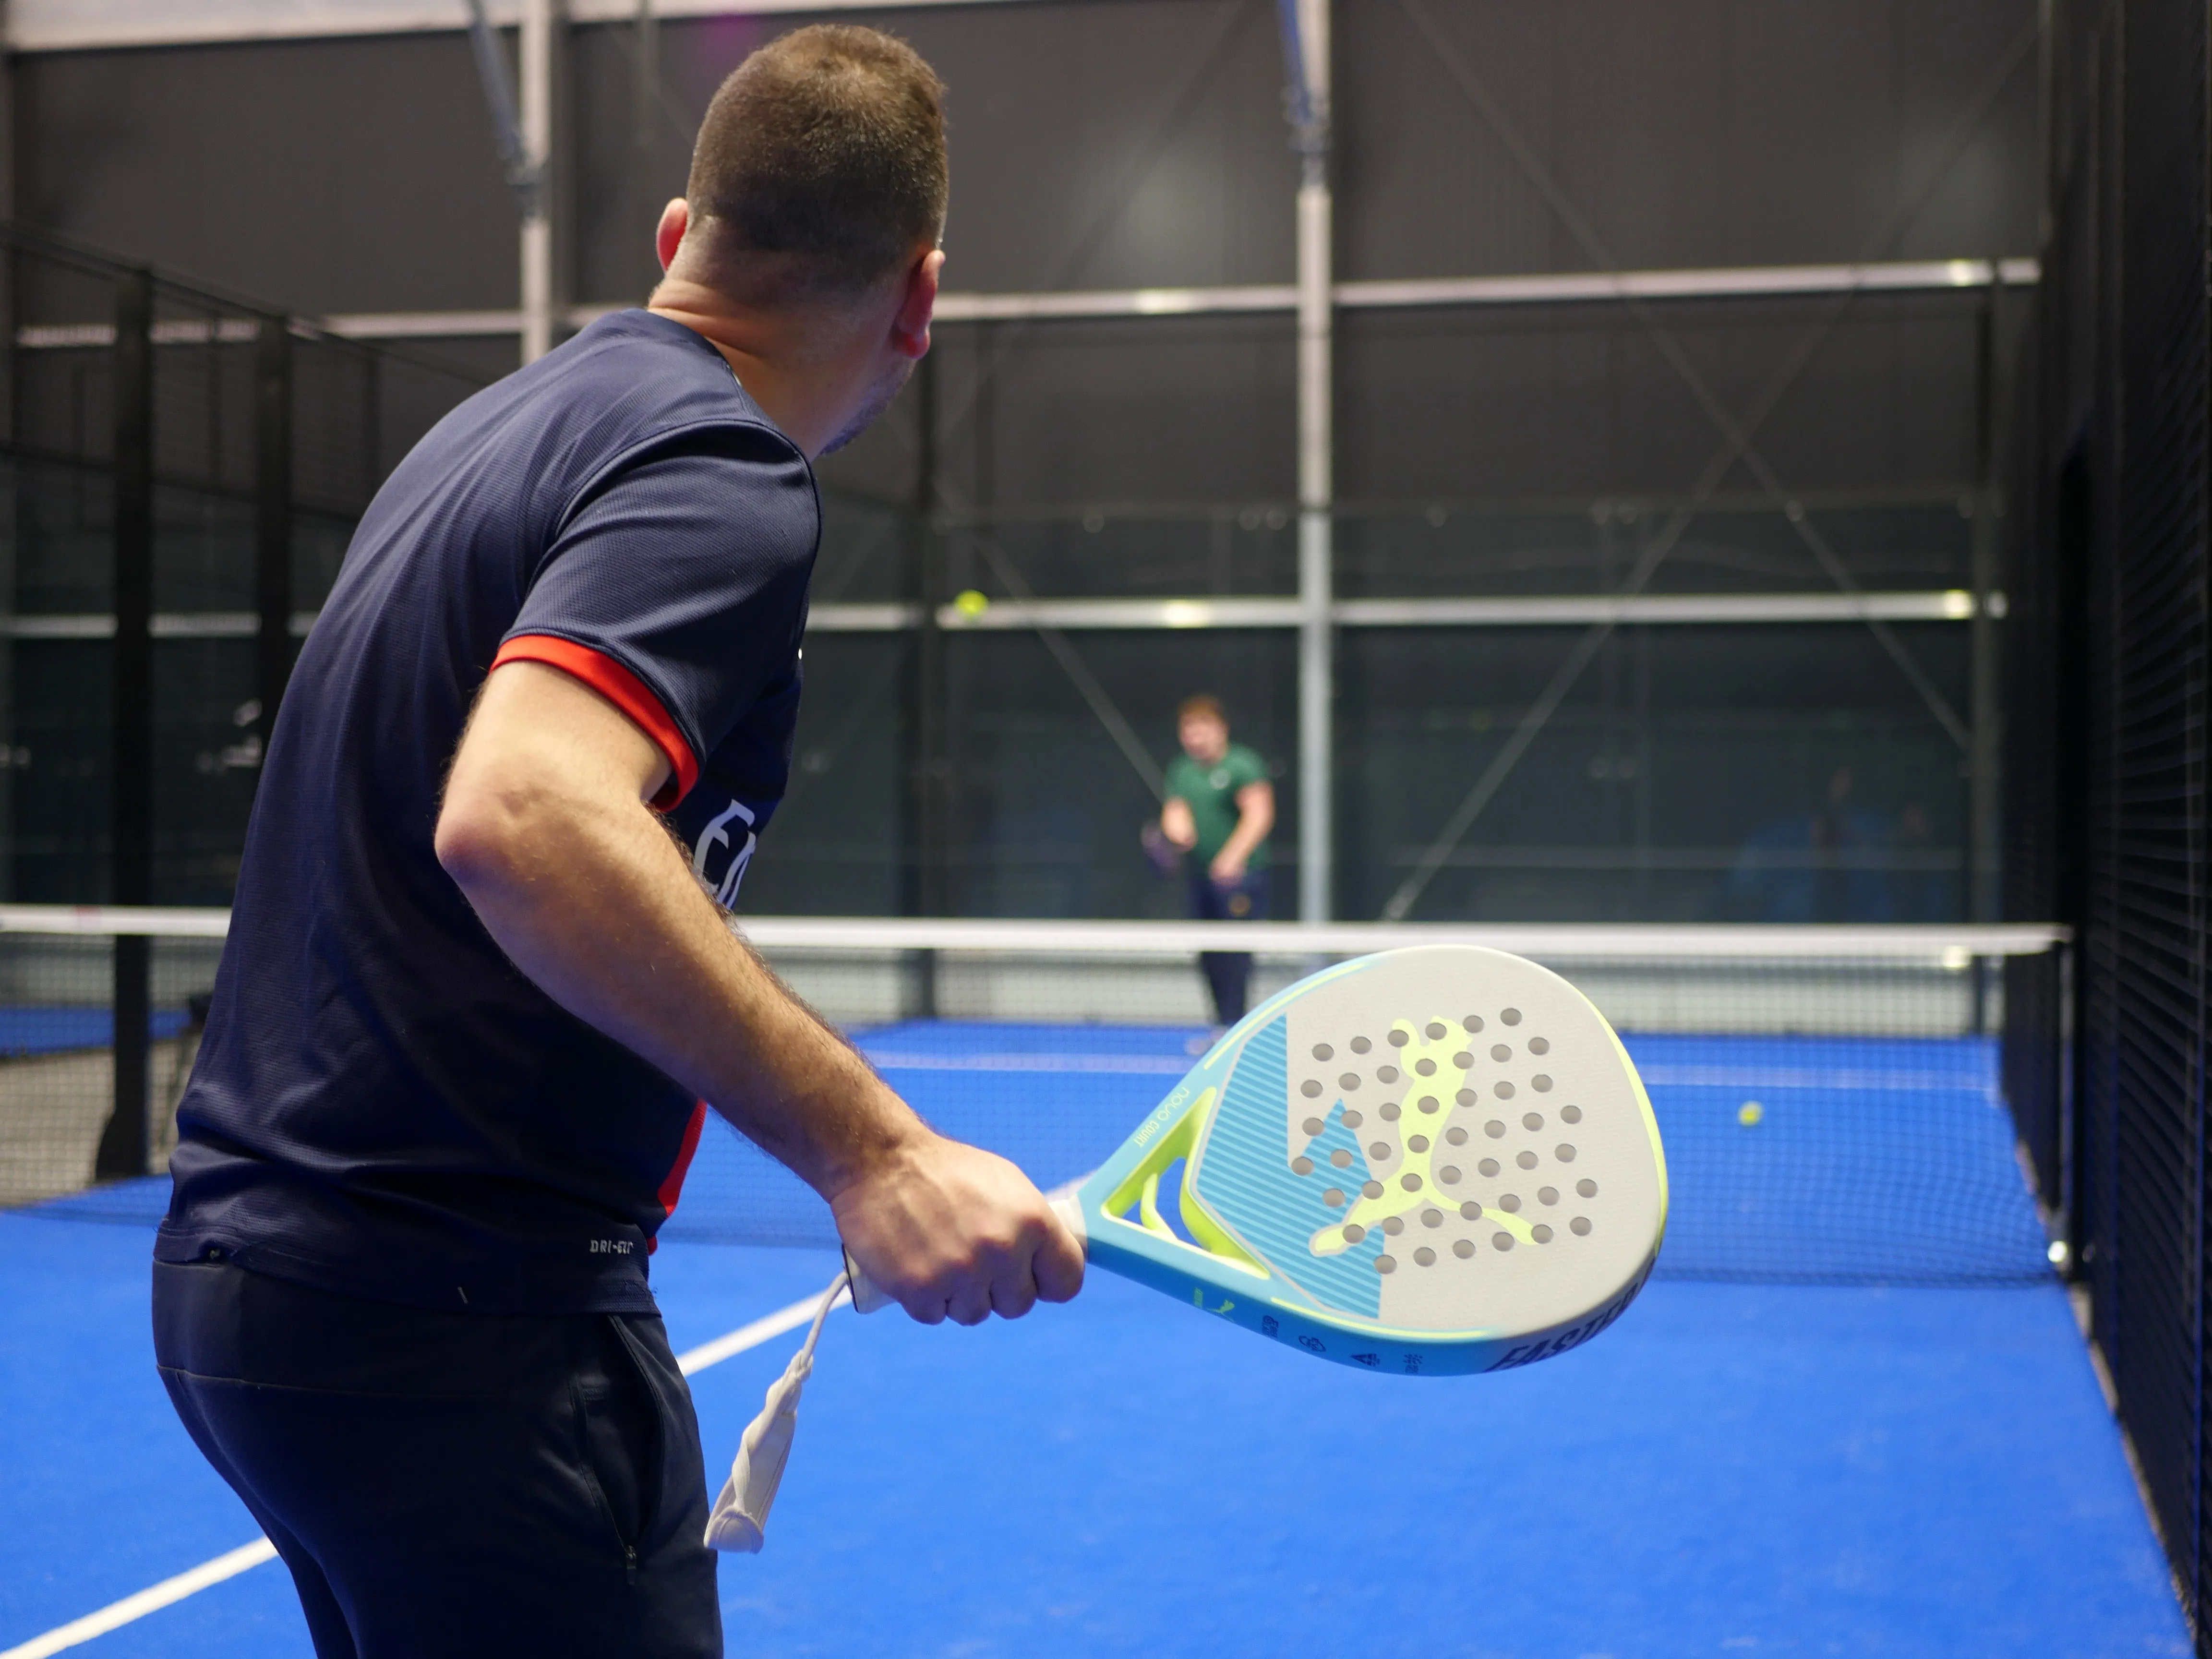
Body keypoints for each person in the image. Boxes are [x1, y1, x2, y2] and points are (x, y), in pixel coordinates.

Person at [150, 28, 1081, 1659]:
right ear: (917, 297)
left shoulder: (499, 430)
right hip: (463, 1330)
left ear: (675, 237)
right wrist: (875, 1152)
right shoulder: (721, 474)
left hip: (253, 1295)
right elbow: (522, 811)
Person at [1155, 694, 1275, 1025]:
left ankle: (1238, 1028)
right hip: (1200, 880)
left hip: (1242, 881)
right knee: (1208, 955)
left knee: (1235, 958)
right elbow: (1175, 812)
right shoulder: (1182, 770)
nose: (1194, 736)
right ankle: (1220, 1026)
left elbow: (1259, 814)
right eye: (1188, 729)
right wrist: (1176, 830)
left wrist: (1232, 859)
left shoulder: (1242, 765)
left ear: (1220, 728)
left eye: (1201, 728)